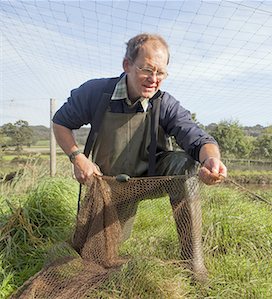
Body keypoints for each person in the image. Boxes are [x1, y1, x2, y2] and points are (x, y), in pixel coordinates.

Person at [52, 33, 227, 281]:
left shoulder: (165, 103)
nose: (154, 80)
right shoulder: (95, 93)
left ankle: (193, 263)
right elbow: (60, 123)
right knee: (95, 256)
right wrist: (77, 157)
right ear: (127, 65)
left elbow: (198, 138)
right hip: (108, 185)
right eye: (146, 70)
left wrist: (211, 160)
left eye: (161, 73)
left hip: (150, 178)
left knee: (186, 167)